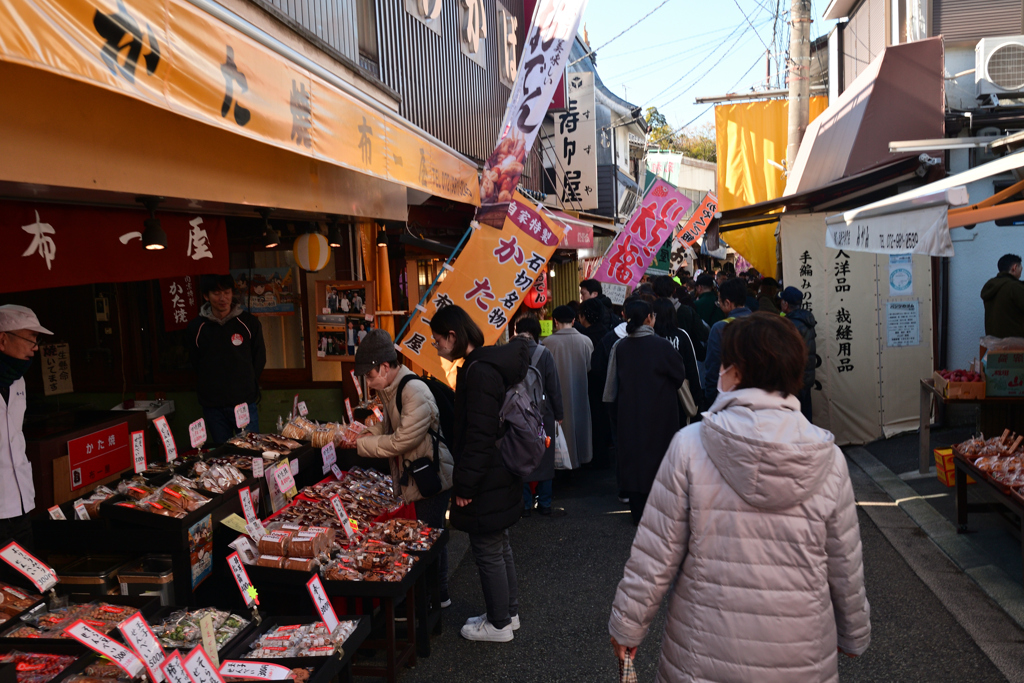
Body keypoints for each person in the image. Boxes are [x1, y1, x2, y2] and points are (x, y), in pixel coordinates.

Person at [608, 312, 871, 681]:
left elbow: (656, 552)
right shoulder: (826, 456)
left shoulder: (690, 445)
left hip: (704, 652)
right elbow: (844, 561)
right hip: (801, 652)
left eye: (726, 362)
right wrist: (854, 631)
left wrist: (628, 626)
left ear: (736, 371)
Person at [429, 305, 525, 642]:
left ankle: (499, 624)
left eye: (437, 340)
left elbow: (478, 436)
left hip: (486, 475)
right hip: (498, 471)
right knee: (499, 545)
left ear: (453, 336)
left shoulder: (479, 371)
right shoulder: (487, 363)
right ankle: (506, 613)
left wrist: (465, 484)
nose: (436, 346)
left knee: (487, 548)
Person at [352, 329, 455, 606]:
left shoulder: (413, 390)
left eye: (371, 376)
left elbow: (401, 440)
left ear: (384, 367)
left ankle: (436, 597)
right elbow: (389, 428)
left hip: (431, 477)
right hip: (418, 476)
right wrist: (364, 432)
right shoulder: (392, 388)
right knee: (430, 536)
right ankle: (436, 594)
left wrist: (360, 445)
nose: (370, 383)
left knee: (429, 540)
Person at [604, 299, 687, 525]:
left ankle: (638, 513)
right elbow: (679, 376)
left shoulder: (619, 347)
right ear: (650, 318)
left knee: (633, 460)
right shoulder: (662, 346)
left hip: (628, 415)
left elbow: (610, 390)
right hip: (661, 414)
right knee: (660, 459)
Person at [187, 275, 266, 444]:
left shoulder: (248, 322)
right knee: (223, 454)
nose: (223, 298)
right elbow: (195, 361)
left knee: (249, 451)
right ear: (206, 296)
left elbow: (260, 358)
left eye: (227, 292)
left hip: (244, 403)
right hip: (213, 406)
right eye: (216, 293)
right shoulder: (197, 327)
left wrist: (247, 383)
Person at [0, 306, 51, 548]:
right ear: (3, 339)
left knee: (26, 580)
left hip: (20, 502)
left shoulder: (17, 380)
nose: (35, 347)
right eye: (30, 338)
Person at [513, 317, 565, 517]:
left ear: (517, 331)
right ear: (536, 332)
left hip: (516, 414)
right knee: (544, 457)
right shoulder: (544, 354)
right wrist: (559, 414)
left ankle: (524, 504)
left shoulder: (508, 353)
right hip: (542, 413)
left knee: (520, 458)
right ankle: (544, 504)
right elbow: (554, 387)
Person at [542, 306, 593, 468]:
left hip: (556, 397)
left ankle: (562, 464)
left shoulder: (547, 343)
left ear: (555, 321)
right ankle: (582, 459)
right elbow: (589, 368)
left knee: (561, 431)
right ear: (573, 320)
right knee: (581, 427)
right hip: (581, 392)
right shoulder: (586, 341)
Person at [704, 278, 752, 407]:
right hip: (756, 395)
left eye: (719, 301)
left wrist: (711, 398)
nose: (718, 304)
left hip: (728, 397)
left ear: (727, 303)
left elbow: (713, 367)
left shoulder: (720, 328)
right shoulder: (760, 323)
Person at [652, 298, 701, 422]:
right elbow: (692, 368)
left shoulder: (650, 337)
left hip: (655, 392)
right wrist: (696, 398)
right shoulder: (681, 335)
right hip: (680, 393)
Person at [578, 299, 612, 470]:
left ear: (584, 316)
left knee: (594, 419)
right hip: (607, 383)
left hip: (590, 383)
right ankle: (603, 454)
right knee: (604, 419)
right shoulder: (608, 333)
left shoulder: (584, 337)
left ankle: (595, 456)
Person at [781, 286, 817, 421]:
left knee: (795, 419)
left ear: (785, 304)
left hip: (795, 379)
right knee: (806, 416)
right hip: (807, 377)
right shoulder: (806, 320)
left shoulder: (790, 324)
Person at [981, 254, 1024, 338]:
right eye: (1021, 269)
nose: (1021, 273)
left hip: (995, 344)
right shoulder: (1014, 287)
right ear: (1014, 267)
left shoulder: (991, 286)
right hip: (1016, 343)